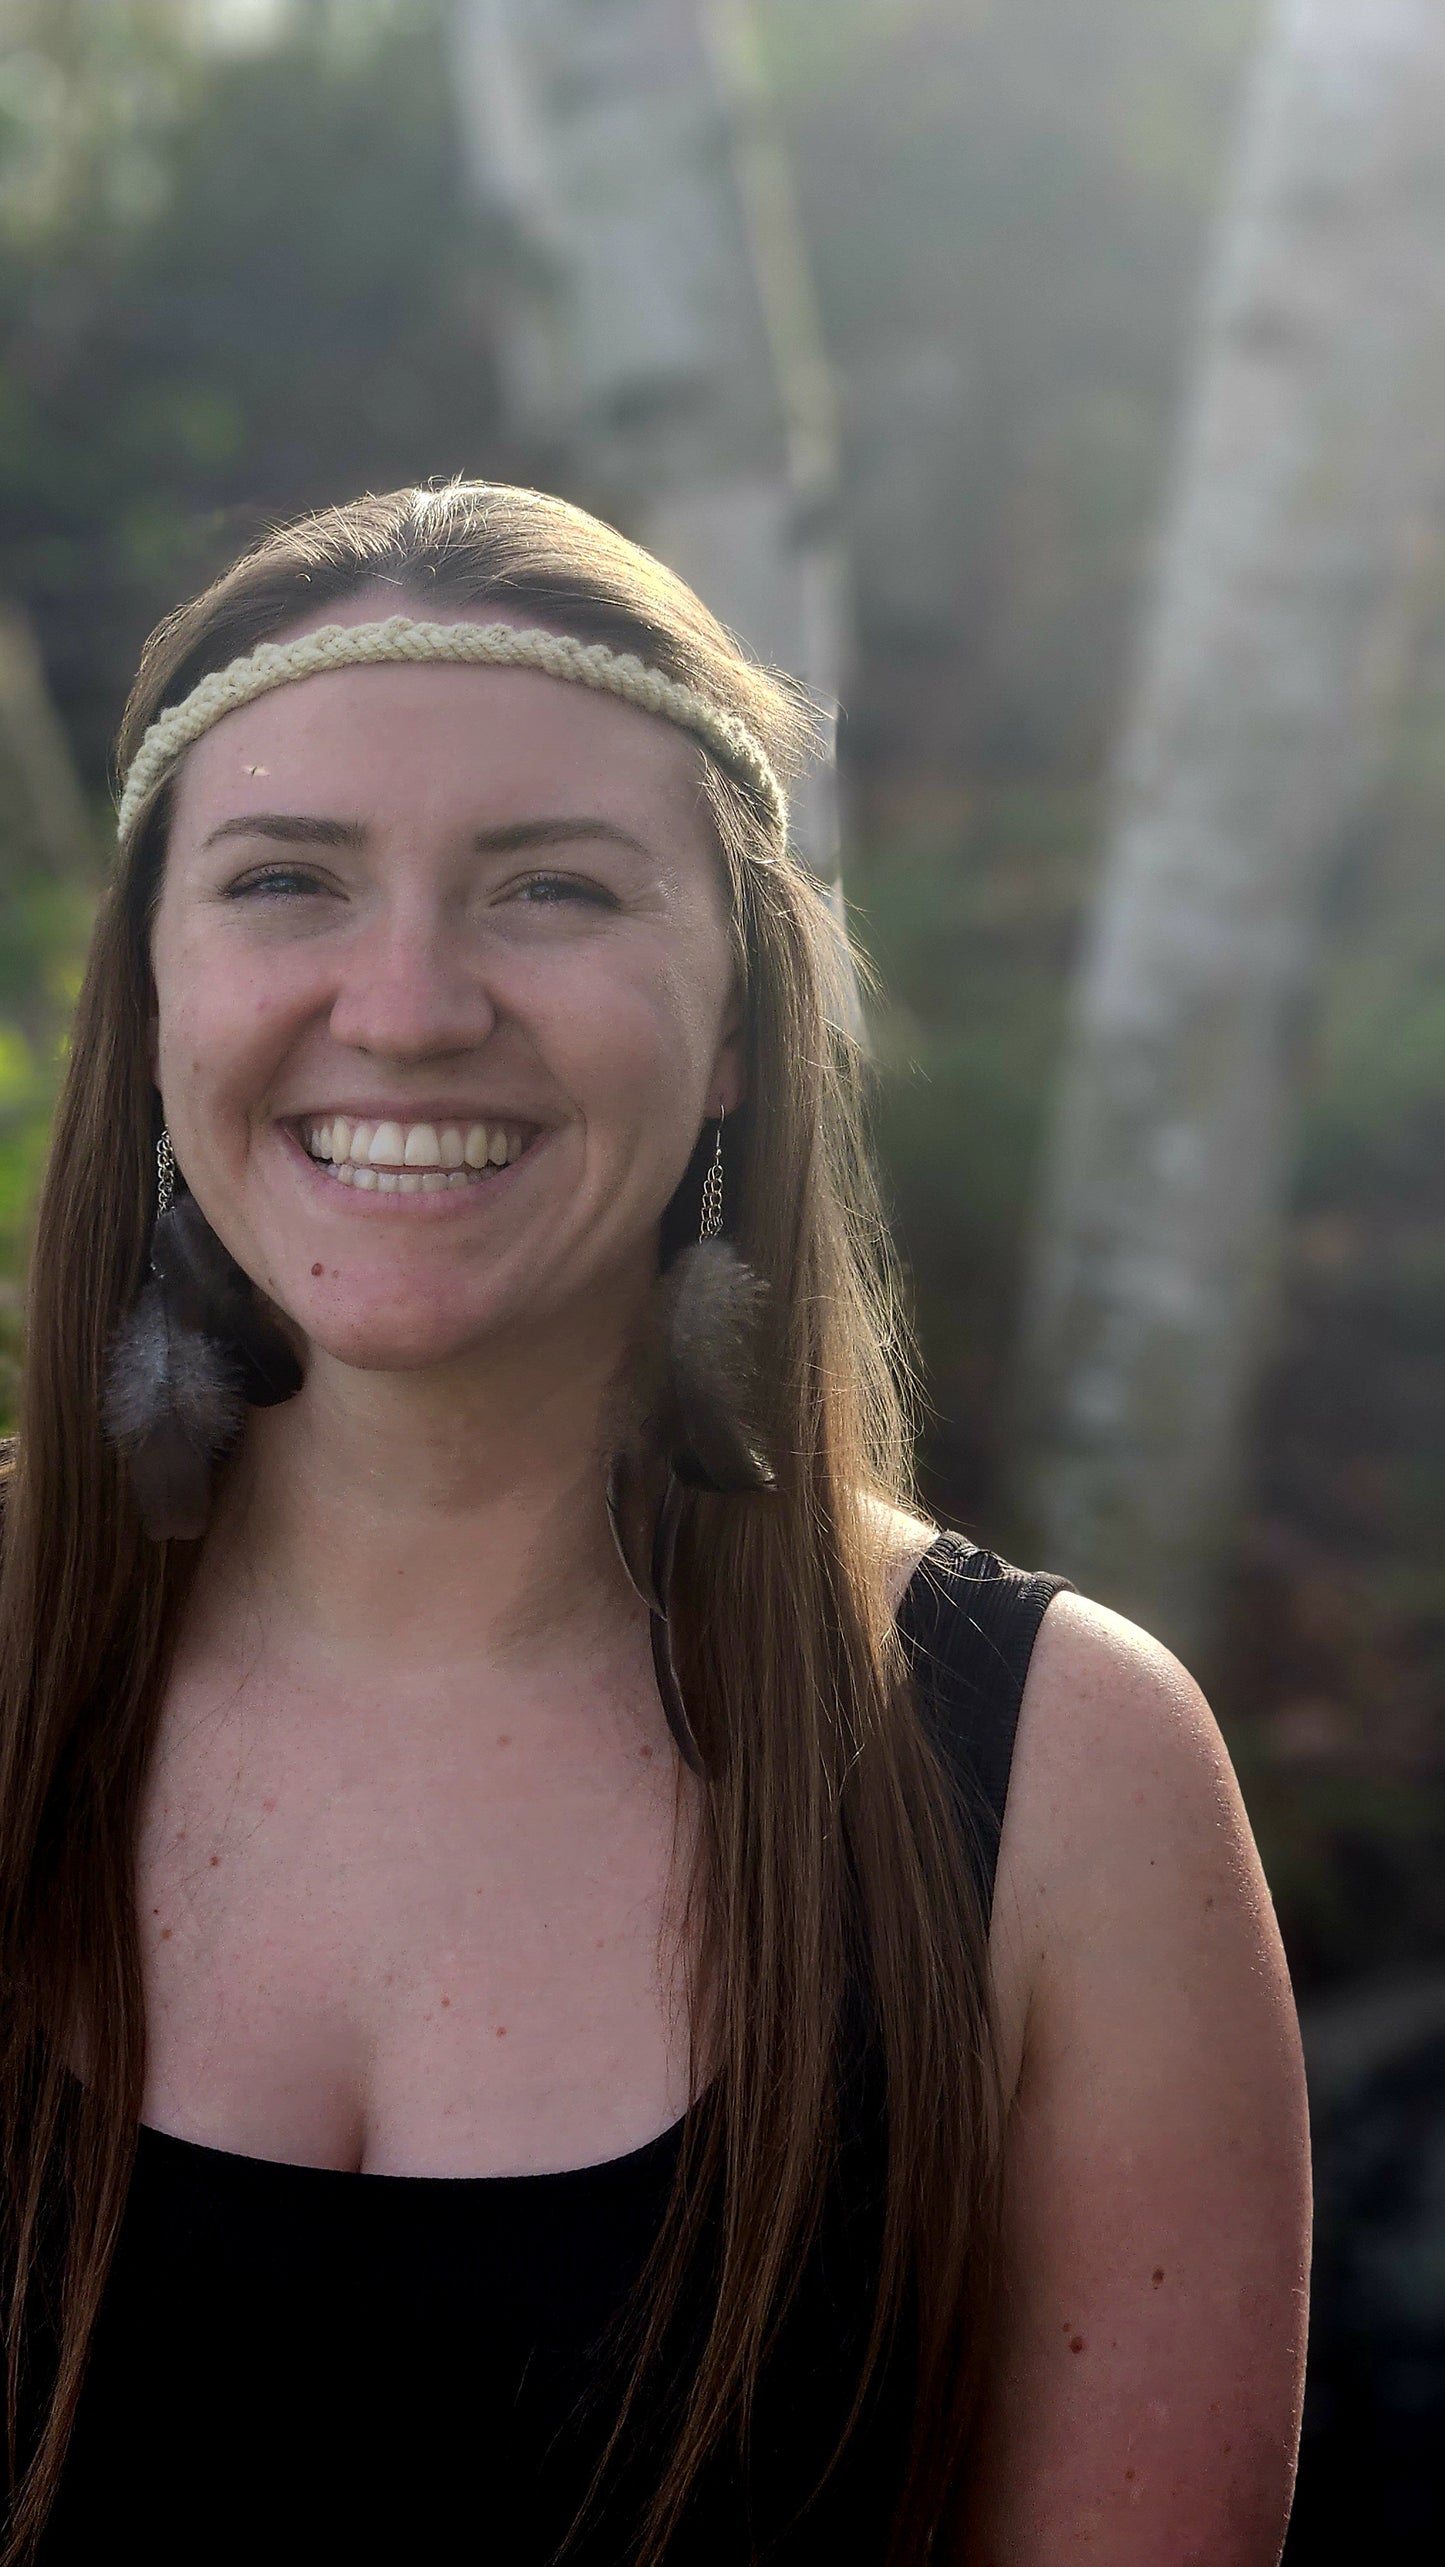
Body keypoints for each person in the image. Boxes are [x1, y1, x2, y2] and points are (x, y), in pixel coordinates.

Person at [0, 481, 1309, 2564]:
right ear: (153, 998)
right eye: (286, 881)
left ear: (733, 1027)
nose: (410, 1004)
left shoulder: (1062, 1784)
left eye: (553, 891)